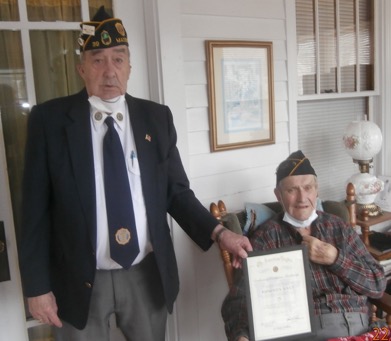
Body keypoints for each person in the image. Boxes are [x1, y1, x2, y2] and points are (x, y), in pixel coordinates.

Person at [18, 6, 252, 341]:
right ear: (80, 68)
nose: (109, 70)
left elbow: (176, 192)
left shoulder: (156, 119)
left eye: (118, 58)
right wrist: (37, 287)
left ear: (130, 67)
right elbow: (34, 213)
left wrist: (219, 233)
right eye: (97, 59)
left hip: (145, 273)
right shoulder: (50, 122)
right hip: (79, 277)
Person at [221, 150, 386, 341]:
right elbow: (238, 301)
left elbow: (377, 284)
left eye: (308, 188)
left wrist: (335, 258)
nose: (302, 198)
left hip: (360, 327)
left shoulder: (339, 227)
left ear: (317, 190)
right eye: (292, 190)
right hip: (307, 330)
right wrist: (241, 335)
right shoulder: (265, 238)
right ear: (278, 195)